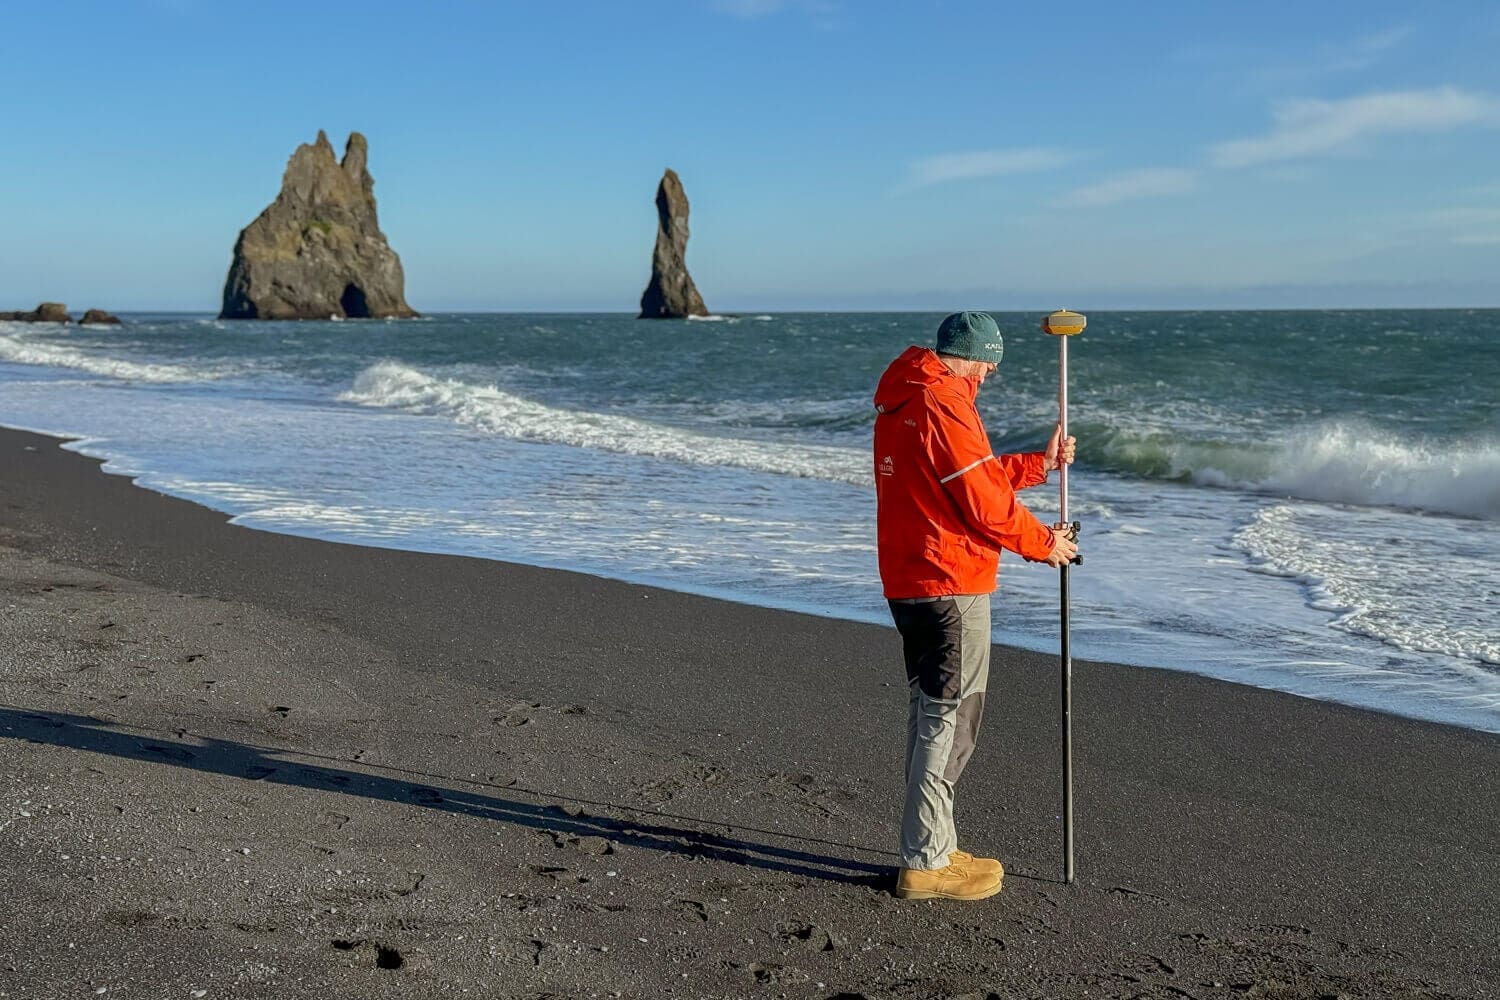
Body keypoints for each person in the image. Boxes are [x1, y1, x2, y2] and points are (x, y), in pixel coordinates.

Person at [872, 310, 1078, 901]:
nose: (989, 374)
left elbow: (969, 478)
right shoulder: (944, 401)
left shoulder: (908, 395)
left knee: (929, 714)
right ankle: (926, 861)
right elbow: (984, 504)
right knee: (951, 719)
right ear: (971, 356)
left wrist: (1038, 466)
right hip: (949, 581)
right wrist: (1045, 544)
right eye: (989, 364)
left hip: (912, 577)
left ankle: (933, 842)